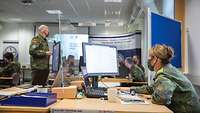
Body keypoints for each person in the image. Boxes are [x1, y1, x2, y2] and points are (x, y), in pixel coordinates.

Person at [129, 44, 200, 113]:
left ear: (157, 59)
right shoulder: (168, 69)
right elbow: (152, 88)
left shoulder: (164, 75)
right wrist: (133, 89)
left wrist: (147, 97)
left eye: (150, 57)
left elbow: (162, 99)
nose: (148, 60)